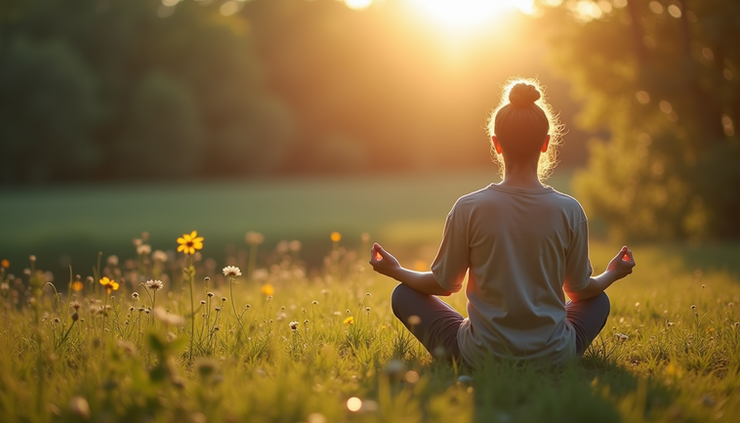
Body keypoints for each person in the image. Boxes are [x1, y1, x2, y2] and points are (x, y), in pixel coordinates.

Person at [369, 79, 636, 367]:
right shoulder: (569, 210)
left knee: (404, 294)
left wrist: (395, 270)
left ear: (496, 144)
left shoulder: (468, 207)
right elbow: (580, 291)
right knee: (599, 299)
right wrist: (612, 274)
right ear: (546, 144)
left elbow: (445, 285)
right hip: (554, 355)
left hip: (480, 356)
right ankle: (554, 352)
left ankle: (472, 351)